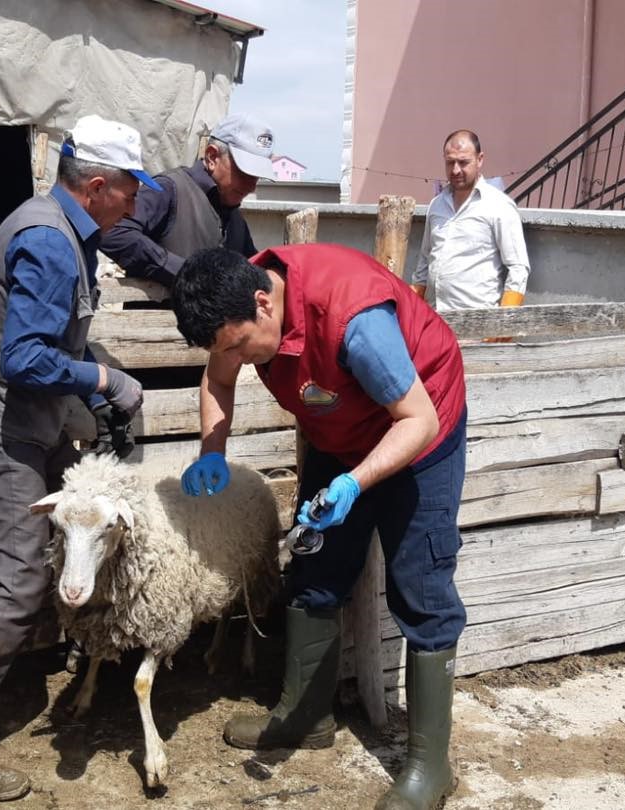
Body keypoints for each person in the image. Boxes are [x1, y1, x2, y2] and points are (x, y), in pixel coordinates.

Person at [0, 115, 155, 803]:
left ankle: (29, 675)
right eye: (130, 188)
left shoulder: (62, 232)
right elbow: (26, 358)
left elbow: (48, 346)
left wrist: (90, 402)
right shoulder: (48, 239)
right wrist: (106, 382)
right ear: (98, 185)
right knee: (18, 577)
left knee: (55, 552)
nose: (136, 201)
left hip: (24, 424)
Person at [173, 244, 469, 810]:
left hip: (421, 426)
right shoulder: (237, 316)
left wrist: (356, 483)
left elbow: (418, 419)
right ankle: (306, 714)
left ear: (264, 304)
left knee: (421, 586)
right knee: (314, 562)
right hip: (344, 429)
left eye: (238, 344)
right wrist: (212, 448)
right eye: (223, 347)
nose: (234, 356)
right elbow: (218, 378)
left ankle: (431, 766)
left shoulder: (355, 321)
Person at [100, 112, 275, 288]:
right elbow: (114, 233)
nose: (251, 187)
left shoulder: (235, 219)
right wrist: (187, 274)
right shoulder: (169, 189)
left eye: (256, 177)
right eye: (244, 173)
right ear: (212, 157)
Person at [411, 129, 531, 315]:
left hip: (477, 325)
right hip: (434, 321)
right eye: (450, 162)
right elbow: (425, 260)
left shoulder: (499, 205)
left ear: (479, 159)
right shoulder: (437, 205)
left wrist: (505, 321)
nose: (456, 170)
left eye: (463, 162)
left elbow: (518, 267)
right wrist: (414, 307)